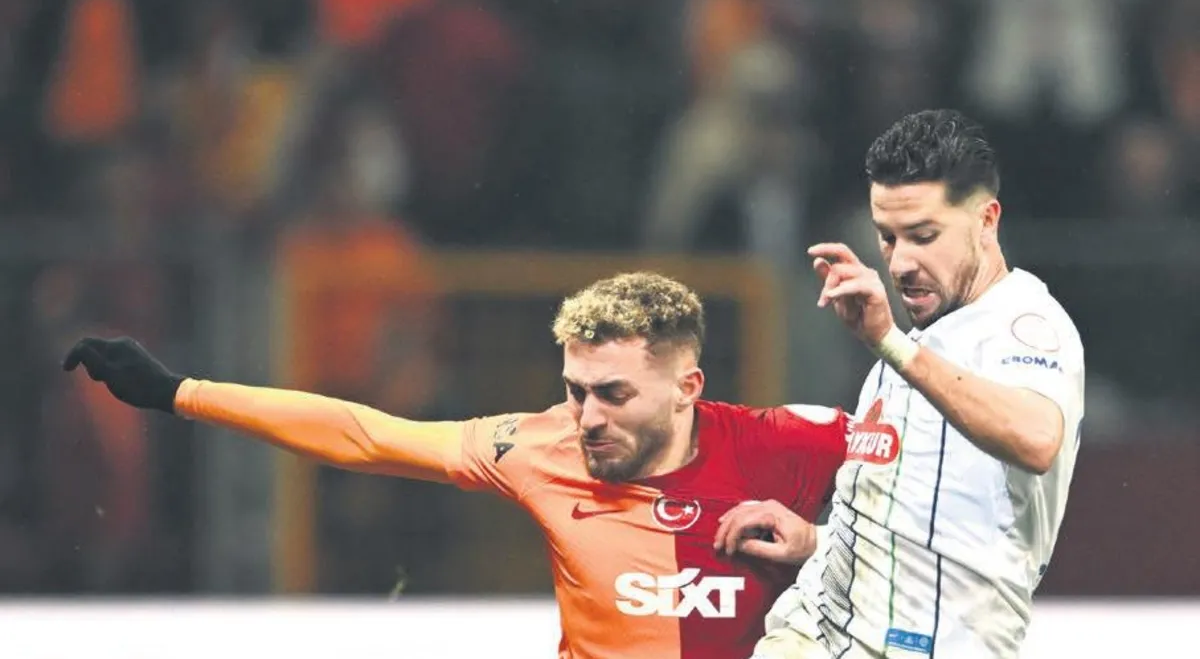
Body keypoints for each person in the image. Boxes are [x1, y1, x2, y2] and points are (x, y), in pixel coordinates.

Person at [63, 271, 849, 659]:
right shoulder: (539, 445)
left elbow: (925, 488)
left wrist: (819, 544)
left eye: (613, 394)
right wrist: (181, 392)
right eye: (575, 390)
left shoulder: (788, 442)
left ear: (688, 387)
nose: (587, 417)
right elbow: (368, 435)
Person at [717, 109, 1086, 658]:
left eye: (924, 236)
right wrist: (816, 539)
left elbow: (1035, 439)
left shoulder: (1025, 324)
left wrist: (890, 341)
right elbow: (923, 528)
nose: (901, 262)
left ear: (986, 220)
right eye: (887, 237)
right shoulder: (912, 344)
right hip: (821, 631)